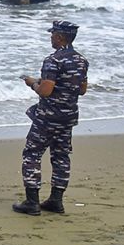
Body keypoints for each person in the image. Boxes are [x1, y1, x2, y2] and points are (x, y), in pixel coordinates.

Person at [14, 19, 89, 215]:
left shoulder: (53, 60)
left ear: (59, 36)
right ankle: (56, 200)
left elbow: (45, 91)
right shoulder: (81, 61)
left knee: (32, 154)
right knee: (61, 156)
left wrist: (32, 83)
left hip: (47, 118)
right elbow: (82, 90)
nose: (51, 37)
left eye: (52, 34)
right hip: (68, 117)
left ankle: (32, 202)